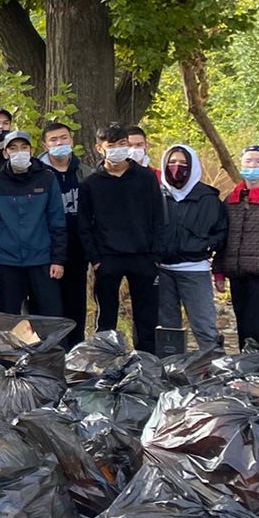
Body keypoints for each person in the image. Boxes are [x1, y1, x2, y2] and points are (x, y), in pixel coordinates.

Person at [77, 123, 164, 351]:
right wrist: (95, 258)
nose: (118, 149)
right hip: (107, 258)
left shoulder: (145, 178)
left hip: (143, 256)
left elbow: (159, 217)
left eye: (122, 144)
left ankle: (146, 361)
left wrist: (155, 254)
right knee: (106, 314)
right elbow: (84, 224)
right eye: (112, 145)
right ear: (99, 148)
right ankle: (105, 358)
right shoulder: (91, 183)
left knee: (146, 315)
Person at [0, 130, 66, 317]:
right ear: (5, 153)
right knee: (9, 318)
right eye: (13, 148)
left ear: (31, 150)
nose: (19, 152)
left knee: (50, 316)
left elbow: (57, 221)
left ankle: (54, 348)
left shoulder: (47, 179)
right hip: (6, 261)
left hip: (42, 260)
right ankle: (11, 348)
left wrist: (58, 260)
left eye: (23, 147)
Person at [158, 144, 227, 353]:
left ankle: (217, 368)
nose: (177, 167)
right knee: (167, 329)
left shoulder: (209, 199)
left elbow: (222, 232)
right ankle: (168, 372)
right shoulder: (155, 195)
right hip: (161, 270)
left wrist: (205, 246)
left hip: (194, 270)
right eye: (172, 162)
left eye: (182, 163)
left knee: (204, 325)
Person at [214, 145, 259, 347]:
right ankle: (246, 371)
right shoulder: (232, 198)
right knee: (242, 328)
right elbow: (223, 237)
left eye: (258, 161)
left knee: (256, 329)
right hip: (237, 274)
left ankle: (256, 372)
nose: (253, 165)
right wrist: (218, 271)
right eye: (248, 161)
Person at [38, 121, 89, 346]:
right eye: (54, 140)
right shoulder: (36, 172)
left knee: (76, 305)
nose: (60, 143)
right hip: (45, 250)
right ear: (45, 144)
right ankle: (50, 354)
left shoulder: (85, 172)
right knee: (48, 307)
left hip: (77, 250)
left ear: (72, 140)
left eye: (64, 138)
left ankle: (75, 355)